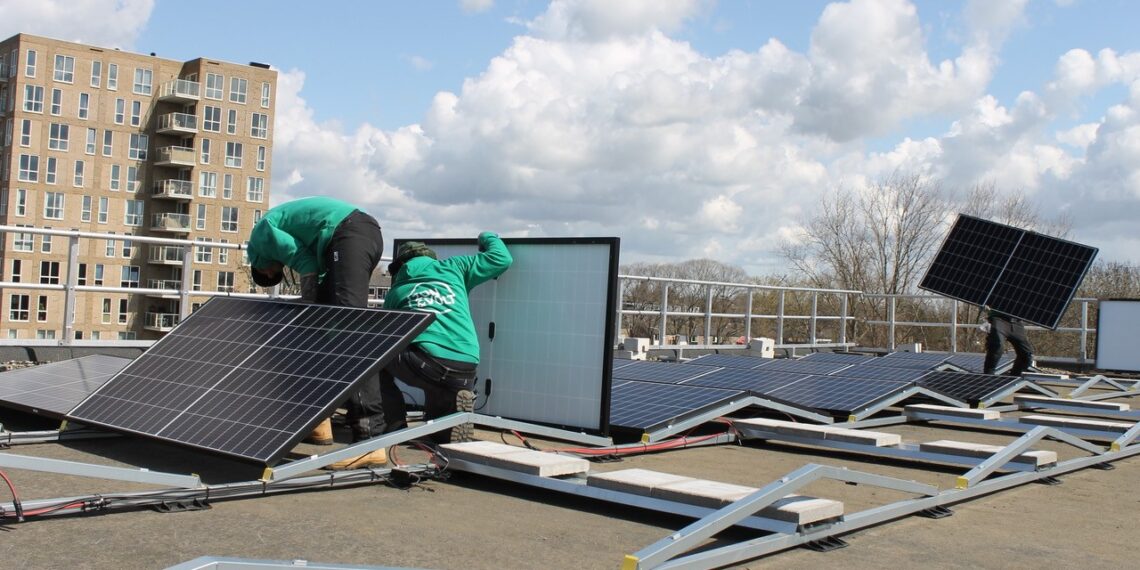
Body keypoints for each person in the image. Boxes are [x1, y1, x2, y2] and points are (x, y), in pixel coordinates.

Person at [246, 196, 388, 469]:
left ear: (260, 266)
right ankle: (318, 419)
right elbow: (309, 261)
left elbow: (306, 262)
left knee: (349, 333)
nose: (277, 269)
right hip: (352, 235)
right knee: (319, 331)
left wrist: (308, 304)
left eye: (273, 271)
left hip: (349, 233)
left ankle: (370, 439)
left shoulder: (261, 237)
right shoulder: (272, 233)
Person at [378, 232, 512, 444]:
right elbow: (502, 259)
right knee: (440, 435)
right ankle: (450, 414)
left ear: (401, 265)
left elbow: (385, 333)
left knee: (372, 357)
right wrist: (487, 237)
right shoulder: (455, 267)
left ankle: (394, 426)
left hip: (426, 365)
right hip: (466, 366)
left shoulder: (397, 291)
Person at [982, 308, 1034, 376]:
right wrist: (984, 307)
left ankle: (1015, 375)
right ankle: (988, 374)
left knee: (1026, 353)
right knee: (997, 346)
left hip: (1016, 322)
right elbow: (983, 303)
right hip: (999, 319)